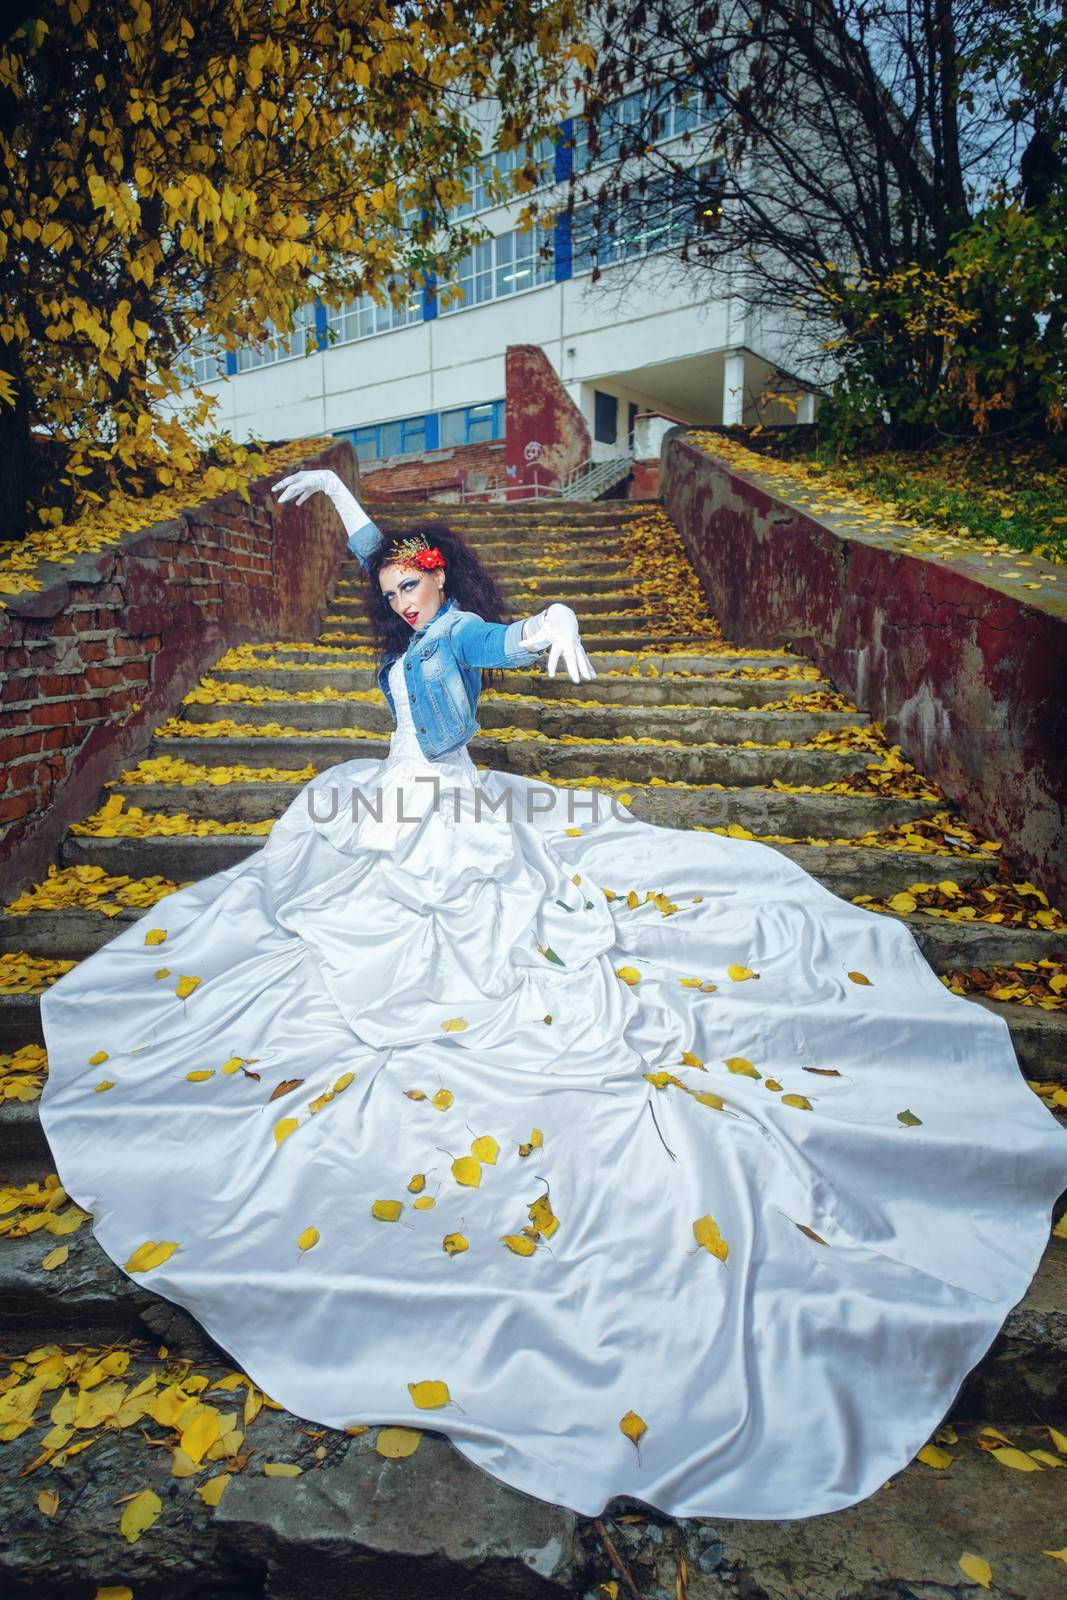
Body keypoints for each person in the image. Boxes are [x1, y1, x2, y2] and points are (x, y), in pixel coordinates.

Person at [37, 467, 1067, 1523]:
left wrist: (551, 625)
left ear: (440, 586)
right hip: (389, 792)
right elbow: (366, 550)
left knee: (459, 932)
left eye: (413, 588)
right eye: (392, 590)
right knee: (329, 900)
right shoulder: (400, 608)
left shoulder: (454, 632)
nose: (401, 601)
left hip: (445, 806)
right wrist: (343, 492)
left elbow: (505, 639)